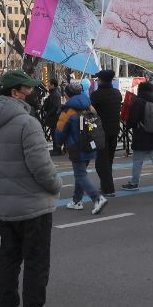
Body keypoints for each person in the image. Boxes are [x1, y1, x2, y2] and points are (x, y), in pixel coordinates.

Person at [0, 69, 62, 307]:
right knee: (36, 263)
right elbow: (42, 168)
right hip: (33, 205)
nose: (33, 92)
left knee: (9, 261)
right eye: (28, 88)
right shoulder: (27, 123)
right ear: (15, 92)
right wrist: (57, 185)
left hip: (6, 205)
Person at [54, 81, 108, 214]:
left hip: (76, 147)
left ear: (67, 95)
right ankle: (77, 200)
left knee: (80, 174)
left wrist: (58, 144)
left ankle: (97, 198)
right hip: (90, 143)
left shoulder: (68, 111)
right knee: (81, 173)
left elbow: (60, 131)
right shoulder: (89, 106)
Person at [121, 81, 153, 192]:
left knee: (137, 162)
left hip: (141, 136)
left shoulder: (138, 102)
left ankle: (134, 183)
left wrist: (128, 125)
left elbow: (132, 120)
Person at [89, 69, 122, 197]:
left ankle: (109, 188)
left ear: (101, 81)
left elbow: (90, 113)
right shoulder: (117, 93)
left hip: (101, 131)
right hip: (114, 129)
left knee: (101, 162)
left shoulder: (96, 95)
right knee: (109, 159)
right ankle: (105, 185)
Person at [42, 79, 62, 156]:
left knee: (55, 133)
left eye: (49, 84)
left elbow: (55, 107)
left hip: (54, 118)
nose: (48, 85)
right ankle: (55, 149)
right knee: (53, 133)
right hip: (53, 117)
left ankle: (57, 150)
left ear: (53, 85)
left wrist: (48, 114)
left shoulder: (55, 94)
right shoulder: (53, 93)